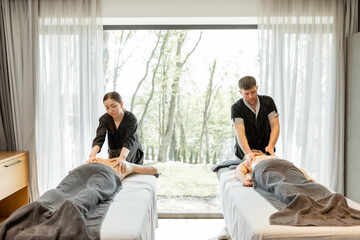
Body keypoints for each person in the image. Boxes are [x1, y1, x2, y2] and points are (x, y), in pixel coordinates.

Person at [87, 91, 144, 174]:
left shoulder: (131, 119)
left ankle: (146, 169)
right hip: (114, 149)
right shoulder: (105, 119)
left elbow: (129, 140)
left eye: (114, 106)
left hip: (130, 149)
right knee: (110, 168)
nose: (110, 110)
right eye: (107, 108)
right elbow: (99, 138)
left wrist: (122, 158)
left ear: (121, 104)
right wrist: (92, 155)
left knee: (121, 167)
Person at [231, 76, 280, 166]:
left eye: (253, 92)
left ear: (257, 88)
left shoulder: (268, 102)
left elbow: (275, 126)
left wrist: (271, 145)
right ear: (240, 92)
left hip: (265, 152)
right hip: (243, 153)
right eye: (246, 94)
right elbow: (240, 132)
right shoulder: (236, 108)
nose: (251, 96)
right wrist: (248, 153)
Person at [236, 150, 313, 186]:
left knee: (281, 177)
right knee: (297, 170)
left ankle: (303, 180)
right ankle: (304, 179)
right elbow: (239, 170)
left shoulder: (251, 160)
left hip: (270, 165)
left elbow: (239, 170)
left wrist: (243, 179)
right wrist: (242, 179)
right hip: (283, 163)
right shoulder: (250, 159)